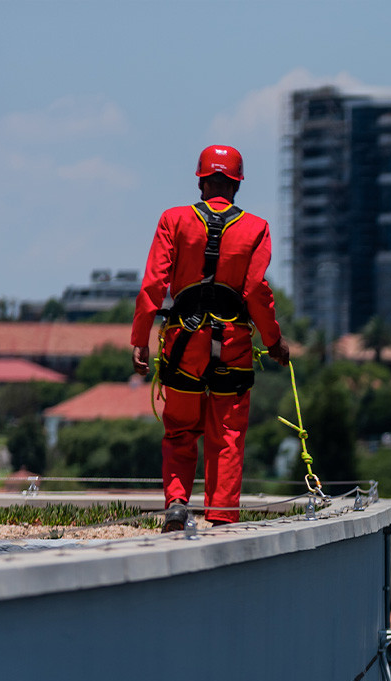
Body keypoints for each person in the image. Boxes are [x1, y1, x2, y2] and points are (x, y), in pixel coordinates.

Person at [131, 144, 290, 531]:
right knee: (228, 435)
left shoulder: (175, 220)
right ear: (237, 185)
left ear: (201, 180)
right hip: (233, 344)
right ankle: (221, 518)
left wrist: (141, 338)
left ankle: (176, 505)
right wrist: (274, 343)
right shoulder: (256, 229)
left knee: (181, 430)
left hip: (183, 344)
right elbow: (255, 291)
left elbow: (154, 283)